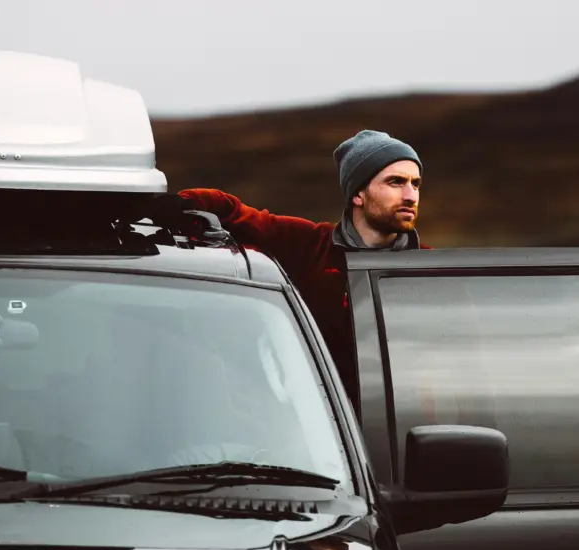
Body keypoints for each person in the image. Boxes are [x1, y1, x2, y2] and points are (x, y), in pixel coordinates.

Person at [147, 129, 430, 420]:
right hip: (323, 426)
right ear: (358, 193)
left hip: (403, 428)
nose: (410, 195)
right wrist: (182, 205)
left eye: (416, 184)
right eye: (395, 182)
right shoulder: (310, 245)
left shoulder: (433, 270)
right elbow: (234, 213)